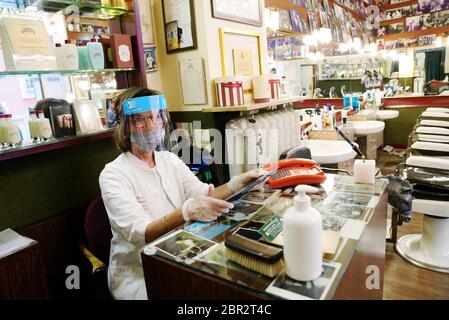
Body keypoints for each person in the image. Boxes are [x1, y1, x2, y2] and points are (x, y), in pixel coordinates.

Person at [99, 88, 266, 300]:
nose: (152, 126)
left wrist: (236, 183)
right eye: (140, 120)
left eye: (156, 117)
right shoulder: (113, 175)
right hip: (139, 272)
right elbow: (143, 234)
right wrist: (186, 211)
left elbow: (206, 193)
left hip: (181, 254)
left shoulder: (169, 159)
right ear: (125, 127)